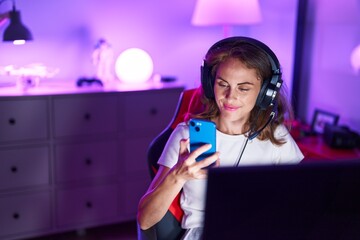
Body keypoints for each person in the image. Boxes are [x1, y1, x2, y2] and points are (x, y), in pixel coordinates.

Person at [137, 36, 304, 240]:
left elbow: (303, 199)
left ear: (265, 93)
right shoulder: (186, 136)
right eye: (222, 84)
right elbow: (145, 220)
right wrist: (177, 175)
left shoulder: (276, 136)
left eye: (243, 88)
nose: (230, 96)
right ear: (209, 84)